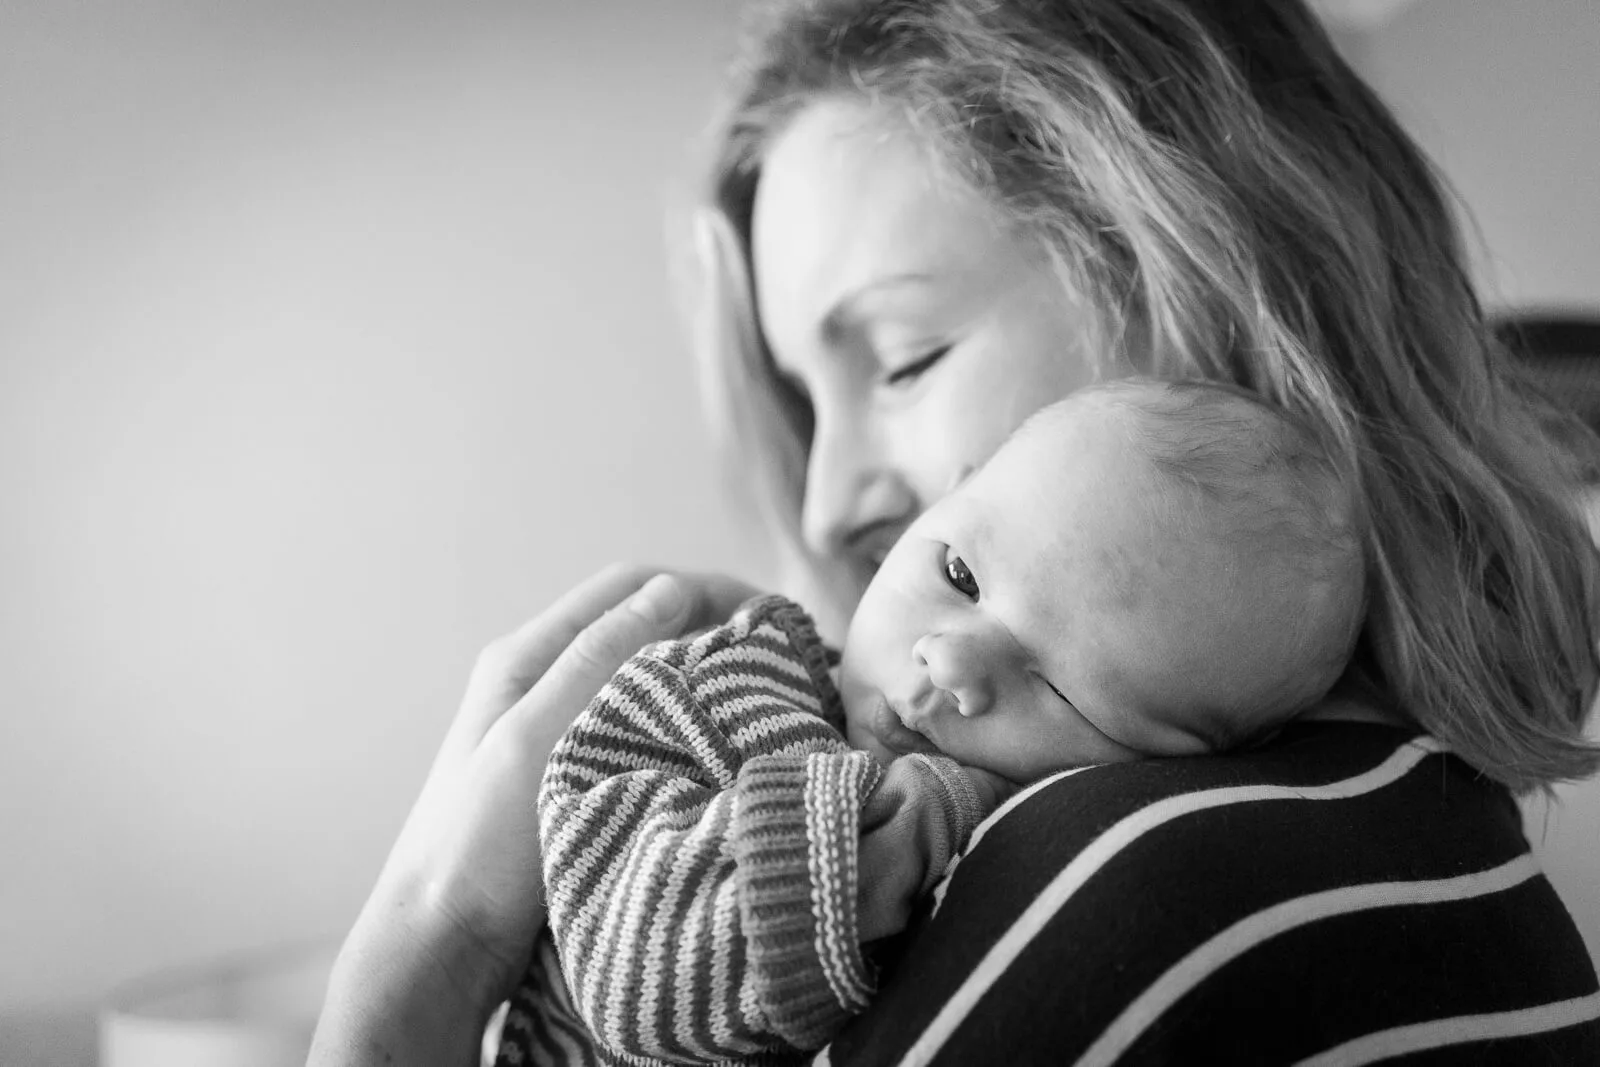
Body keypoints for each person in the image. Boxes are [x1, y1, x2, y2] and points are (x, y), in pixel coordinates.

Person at [309, 2, 1600, 1064]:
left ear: (1220, 288)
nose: (825, 504)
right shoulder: (1409, 831)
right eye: (804, 401)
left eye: (906, 355)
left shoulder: (1136, 884)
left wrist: (434, 944)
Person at [497, 379, 1367, 1066]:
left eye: (1064, 692)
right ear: (936, 507)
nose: (950, 663)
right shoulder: (722, 690)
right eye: (958, 572)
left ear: (1176, 765)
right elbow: (631, 975)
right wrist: (914, 820)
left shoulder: (1049, 852)